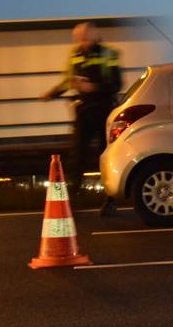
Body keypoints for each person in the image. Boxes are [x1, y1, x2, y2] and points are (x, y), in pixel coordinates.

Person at [40, 22, 122, 211]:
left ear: (95, 35)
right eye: (78, 38)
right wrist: (52, 93)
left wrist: (92, 87)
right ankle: (70, 201)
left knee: (105, 156)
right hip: (84, 112)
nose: (81, 41)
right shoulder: (75, 54)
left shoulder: (108, 54)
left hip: (104, 111)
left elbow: (116, 84)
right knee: (77, 156)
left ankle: (110, 199)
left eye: (85, 37)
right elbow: (68, 80)